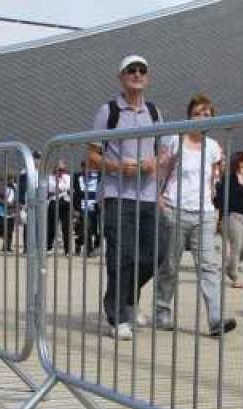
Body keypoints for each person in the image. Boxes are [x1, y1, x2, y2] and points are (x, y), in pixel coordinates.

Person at [87, 54, 169, 340]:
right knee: (121, 254)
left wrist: (154, 164)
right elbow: (92, 154)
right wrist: (118, 167)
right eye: (130, 70)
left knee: (156, 252)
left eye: (141, 70)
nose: (137, 74)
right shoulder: (108, 111)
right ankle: (119, 317)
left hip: (147, 195)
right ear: (121, 77)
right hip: (116, 194)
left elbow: (163, 151)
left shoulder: (155, 112)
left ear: (148, 76)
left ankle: (124, 297)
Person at [154, 94, 236, 337]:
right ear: (189, 115)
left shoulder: (213, 147)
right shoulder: (175, 140)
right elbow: (162, 171)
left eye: (207, 114)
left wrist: (214, 204)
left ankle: (215, 318)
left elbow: (213, 178)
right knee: (170, 264)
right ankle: (162, 311)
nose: (202, 118)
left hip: (204, 213)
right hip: (174, 209)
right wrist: (159, 198)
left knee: (209, 267)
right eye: (198, 113)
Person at [216, 151, 243, 288]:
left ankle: (229, 268)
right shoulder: (230, 178)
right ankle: (235, 276)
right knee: (236, 248)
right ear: (239, 162)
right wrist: (221, 218)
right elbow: (224, 198)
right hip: (233, 216)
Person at [73, 161, 101, 256]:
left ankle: (79, 241)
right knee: (87, 228)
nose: (88, 169)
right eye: (85, 167)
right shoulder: (77, 177)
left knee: (98, 229)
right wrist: (75, 209)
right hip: (83, 207)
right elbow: (75, 194)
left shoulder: (99, 177)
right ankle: (89, 250)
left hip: (96, 207)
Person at [46, 159, 74, 254]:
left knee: (66, 227)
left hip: (65, 202)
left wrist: (61, 189)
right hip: (53, 203)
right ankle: (48, 247)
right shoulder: (49, 178)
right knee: (51, 226)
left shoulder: (68, 177)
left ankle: (67, 250)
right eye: (59, 169)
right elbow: (52, 188)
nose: (61, 172)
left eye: (62, 170)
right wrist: (63, 188)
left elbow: (69, 188)